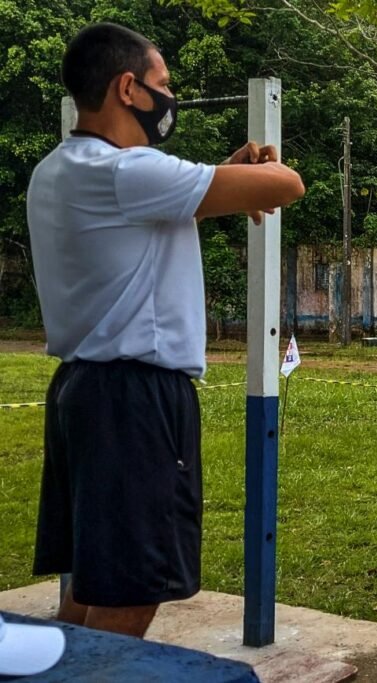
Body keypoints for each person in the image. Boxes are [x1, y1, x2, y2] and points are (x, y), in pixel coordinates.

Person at [27, 23, 305, 638]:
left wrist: (222, 178)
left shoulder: (58, 171)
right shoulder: (131, 174)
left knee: (88, 578)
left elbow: (153, 210)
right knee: (131, 592)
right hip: (136, 401)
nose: (169, 99)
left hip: (81, 392)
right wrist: (256, 172)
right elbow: (287, 185)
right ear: (128, 88)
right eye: (163, 85)